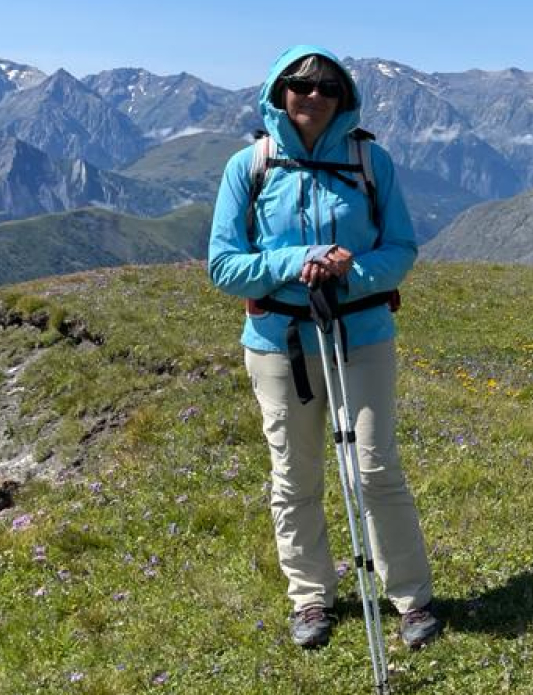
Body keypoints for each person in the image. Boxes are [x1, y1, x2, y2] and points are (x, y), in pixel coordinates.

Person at [207, 46, 441, 651]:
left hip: (360, 337)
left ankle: (412, 600)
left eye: (327, 87)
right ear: (278, 92)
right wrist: (300, 260)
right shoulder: (249, 167)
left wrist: (350, 271)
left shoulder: (371, 161)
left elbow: (402, 250)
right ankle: (311, 598)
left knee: (376, 469)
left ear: (344, 97)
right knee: (294, 474)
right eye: (299, 85)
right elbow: (224, 266)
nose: (312, 96)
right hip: (278, 345)